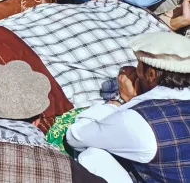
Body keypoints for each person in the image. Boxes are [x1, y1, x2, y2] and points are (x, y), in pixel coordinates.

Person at [67, 32, 190, 182]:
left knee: (92, 155)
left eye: (138, 65)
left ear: (151, 74)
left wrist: (121, 100)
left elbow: (76, 137)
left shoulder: (138, 121)